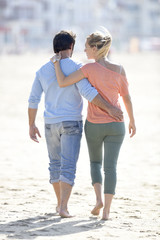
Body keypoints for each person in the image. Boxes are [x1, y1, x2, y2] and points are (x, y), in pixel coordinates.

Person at [28, 30, 123, 218]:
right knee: (68, 166)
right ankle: (63, 206)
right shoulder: (77, 67)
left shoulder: (42, 70)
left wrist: (31, 124)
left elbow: (33, 100)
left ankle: (59, 204)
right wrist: (110, 108)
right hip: (71, 122)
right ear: (71, 47)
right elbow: (88, 92)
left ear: (55, 47)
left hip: (50, 123)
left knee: (54, 164)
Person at [51, 28, 136, 220]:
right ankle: (106, 212)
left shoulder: (88, 69)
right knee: (111, 167)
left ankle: (98, 200)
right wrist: (132, 120)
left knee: (96, 163)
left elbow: (63, 82)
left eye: (87, 47)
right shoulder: (120, 69)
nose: (84, 50)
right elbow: (127, 98)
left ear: (96, 48)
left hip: (95, 124)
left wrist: (56, 64)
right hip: (117, 124)